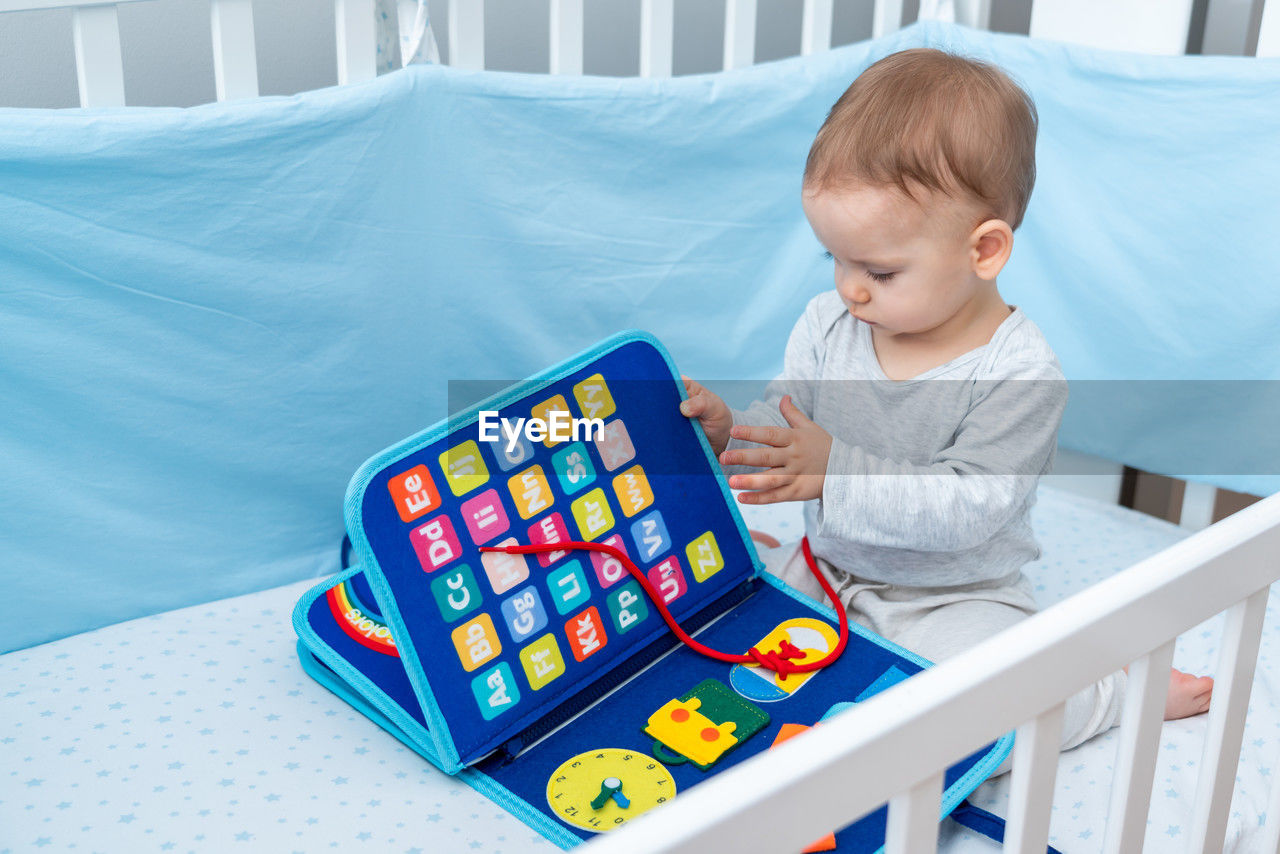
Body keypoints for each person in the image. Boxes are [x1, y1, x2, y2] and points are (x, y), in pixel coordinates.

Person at [678, 47, 1212, 758]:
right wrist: (728, 435)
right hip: (827, 568)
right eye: (832, 258)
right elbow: (785, 426)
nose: (850, 288)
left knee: (988, 722)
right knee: (712, 623)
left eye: (879, 269)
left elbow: (967, 512)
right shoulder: (828, 325)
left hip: (952, 598)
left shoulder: (1019, 372)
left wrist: (836, 471)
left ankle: (1110, 691)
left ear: (984, 250)